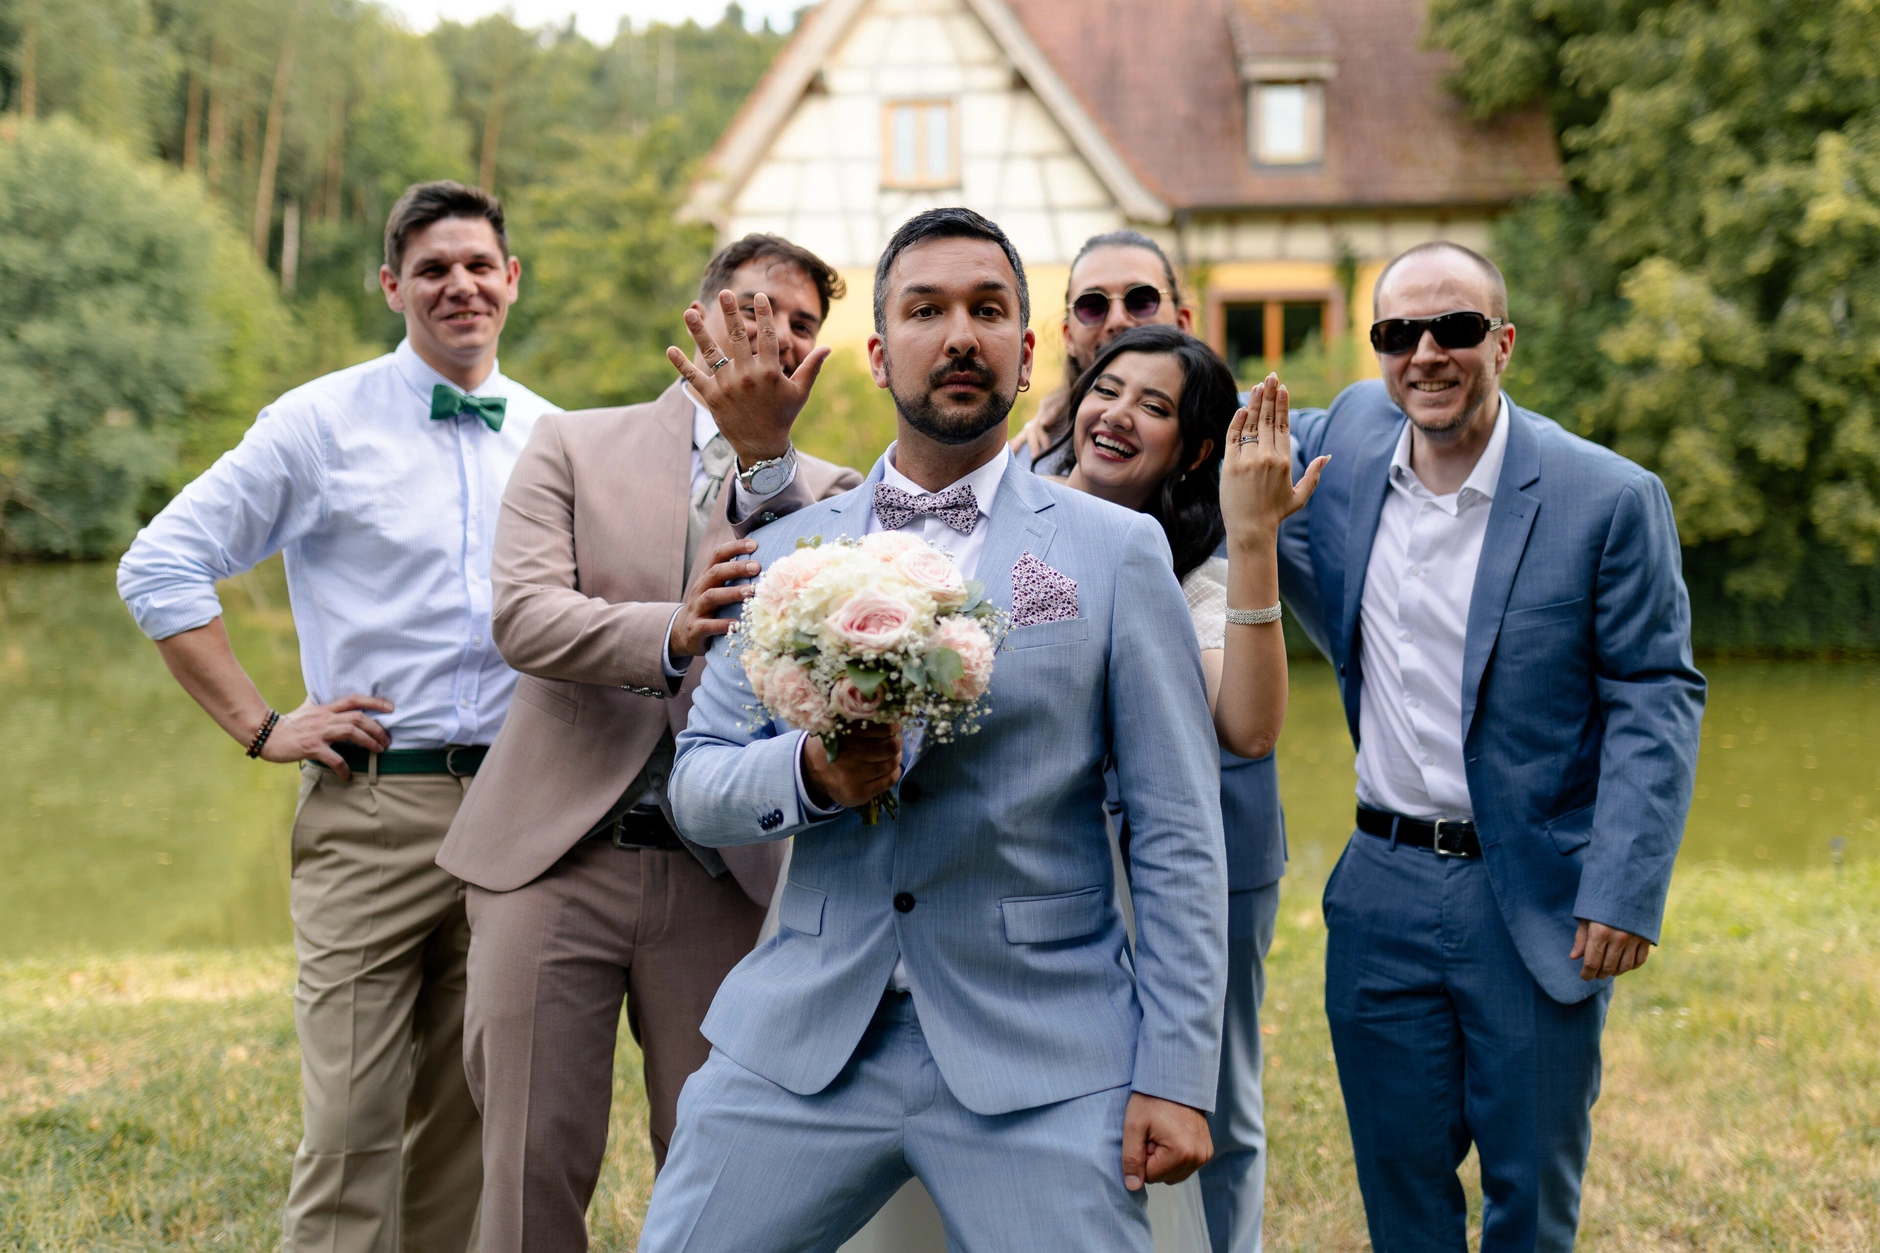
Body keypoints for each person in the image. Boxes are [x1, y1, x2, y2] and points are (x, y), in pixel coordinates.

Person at [637, 207, 1229, 1252]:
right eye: (925, 309)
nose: (959, 334)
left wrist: (1177, 1075)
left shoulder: (1114, 551)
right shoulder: (782, 549)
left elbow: (1179, 831)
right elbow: (698, 782)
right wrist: (813, 773)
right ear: (876, 352)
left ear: (1026, 347)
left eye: (986, 309)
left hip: (1044, 1048)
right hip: (804, 1040)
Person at [116, 180, 558, 1253]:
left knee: (469, 1112)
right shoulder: (320, 422)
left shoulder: (551, 436)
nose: (458, 284)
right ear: (391, 284)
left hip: (515, 813)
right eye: (432, 268)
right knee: (352, 1124)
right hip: (374, 808)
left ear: (510, 279)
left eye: (476, 264)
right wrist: (263, 725)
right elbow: (163, 563)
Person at [435, 234, 861, 1253]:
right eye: (755, 309)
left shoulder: (839, 493)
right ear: (701, 315)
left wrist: (769, 468)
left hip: (734, 879)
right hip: (552, 857)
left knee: (724, 1173)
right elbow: (525, 618)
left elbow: (833, 666)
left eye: (802, 325)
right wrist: (665, 632)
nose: (777, 336)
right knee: (530, 1163)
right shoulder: (571, 444)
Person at [1276, 241, 1705, 1252]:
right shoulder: (1344, 436)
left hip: (1531, 893)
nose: (1425, 352)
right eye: (1397, 334)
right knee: (1398, 1191)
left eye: (1454, 329)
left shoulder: (1606, 497)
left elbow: (1654, 691)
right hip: (1377, 885)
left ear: (1501, 342)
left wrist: (1623, 883)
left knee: (1529, 1196)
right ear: (1375, 350)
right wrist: (1062, 421)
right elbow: (1201, 414)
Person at [1057, 326, 1325, 1253]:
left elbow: (1247, 725)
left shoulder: (1191, 567)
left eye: (1155, 406)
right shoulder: (1004, 511)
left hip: (1124, 886)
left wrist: (1253, 535)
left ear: (1196, 448)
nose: (1118, 415)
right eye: (1107, 389)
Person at [1009, 229, 1193, 474]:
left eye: (1141, 300)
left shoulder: (1249, 441)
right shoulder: (1031, 470)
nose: (1117, 321)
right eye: (1092, 305)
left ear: (1183, 323)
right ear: (1068, 337)